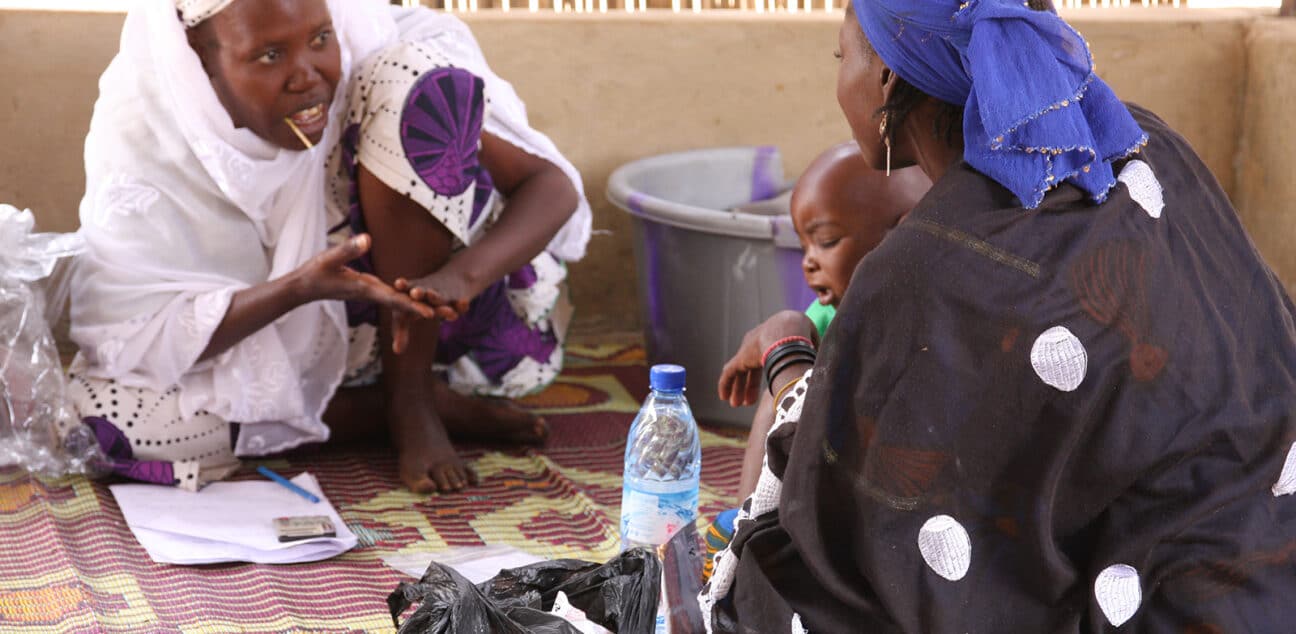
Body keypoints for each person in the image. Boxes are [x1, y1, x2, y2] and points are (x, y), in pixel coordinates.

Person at [700, 0, 1296, 631]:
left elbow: (850, 520)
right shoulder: (1143, 142)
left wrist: (787, 355)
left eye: (841, 55)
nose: (837, 74)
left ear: (890, 78)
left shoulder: (930, 267)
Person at [65, 0, 590, 494]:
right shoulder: (146, 128)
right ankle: (379, 411)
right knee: (98, 427)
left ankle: (414, 403)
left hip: (455, 334)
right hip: (295, 357)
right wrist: (296, 289)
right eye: (269, 55)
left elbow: (551, 187)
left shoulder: (380, 53)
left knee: (414, 83)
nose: (307, 74)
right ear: (198, 56)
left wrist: (460, 278)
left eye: (320, 37)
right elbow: (136, 335)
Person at [721, 142, 929, 502]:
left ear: (906, 232)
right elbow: (783, 408)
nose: (809, 262)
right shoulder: (823, 318)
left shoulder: (932, 317)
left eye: (827, 241)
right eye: (804, 247)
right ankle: (746, 517)